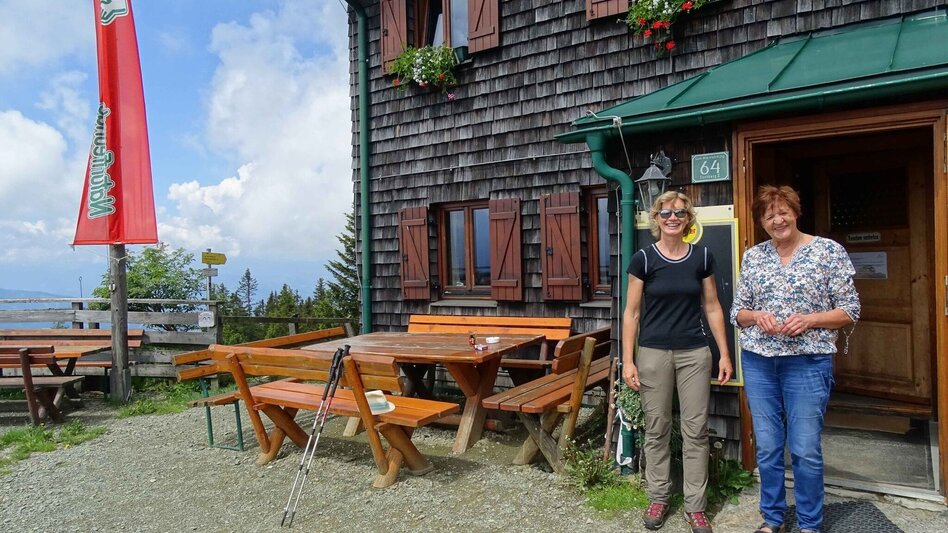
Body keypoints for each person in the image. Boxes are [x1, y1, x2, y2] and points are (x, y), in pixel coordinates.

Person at [730, 185, 860, 533]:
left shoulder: (827, 251)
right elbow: (737, 312)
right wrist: (757, 316)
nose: (777, 219)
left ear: (796, 212)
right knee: (769, 447)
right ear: (761, 221)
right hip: (759, 362)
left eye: (783, 211)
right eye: (769, 215)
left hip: (808, 362)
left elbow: (850, 309)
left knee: (804, 449)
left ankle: (809, 524)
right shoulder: (753, 256)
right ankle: (773, 520)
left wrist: (811, 319)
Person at [622, 190, 733, 533]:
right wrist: (628, 360)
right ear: (655, 219)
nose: (673, 218)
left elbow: (713, 307)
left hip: (694, 354)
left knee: (695, 430)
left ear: (689, 220)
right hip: (653, 353)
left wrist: (724, 354)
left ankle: (695, 506)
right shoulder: (643, 259)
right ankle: (658, 497)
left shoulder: (701, 257)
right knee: (656, 428)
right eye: (666, 212)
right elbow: (632, 313)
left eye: (680, 213)